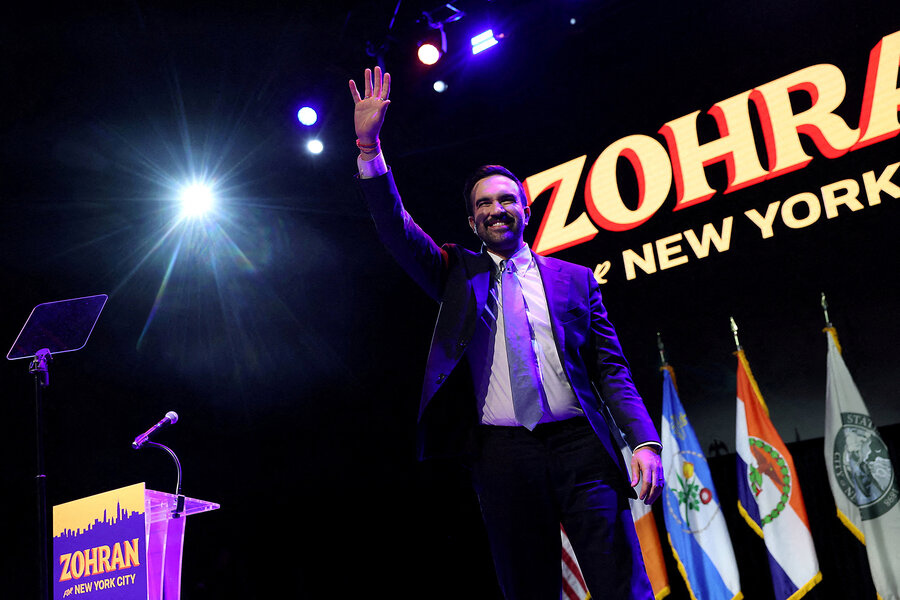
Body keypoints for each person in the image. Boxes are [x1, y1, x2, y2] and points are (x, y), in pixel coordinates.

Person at [350, 66, 664, 599]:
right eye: (484, 205)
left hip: (582, 448)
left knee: (621, 585)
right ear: (472, 223)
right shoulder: (455, 272)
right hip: (502, 454)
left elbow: (611, 369)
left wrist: (645, 441)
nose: (496, 210)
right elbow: (395, 229)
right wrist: (368, 147)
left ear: (525, 208)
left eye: (506, 200)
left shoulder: (576, 280)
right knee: (527, 588)